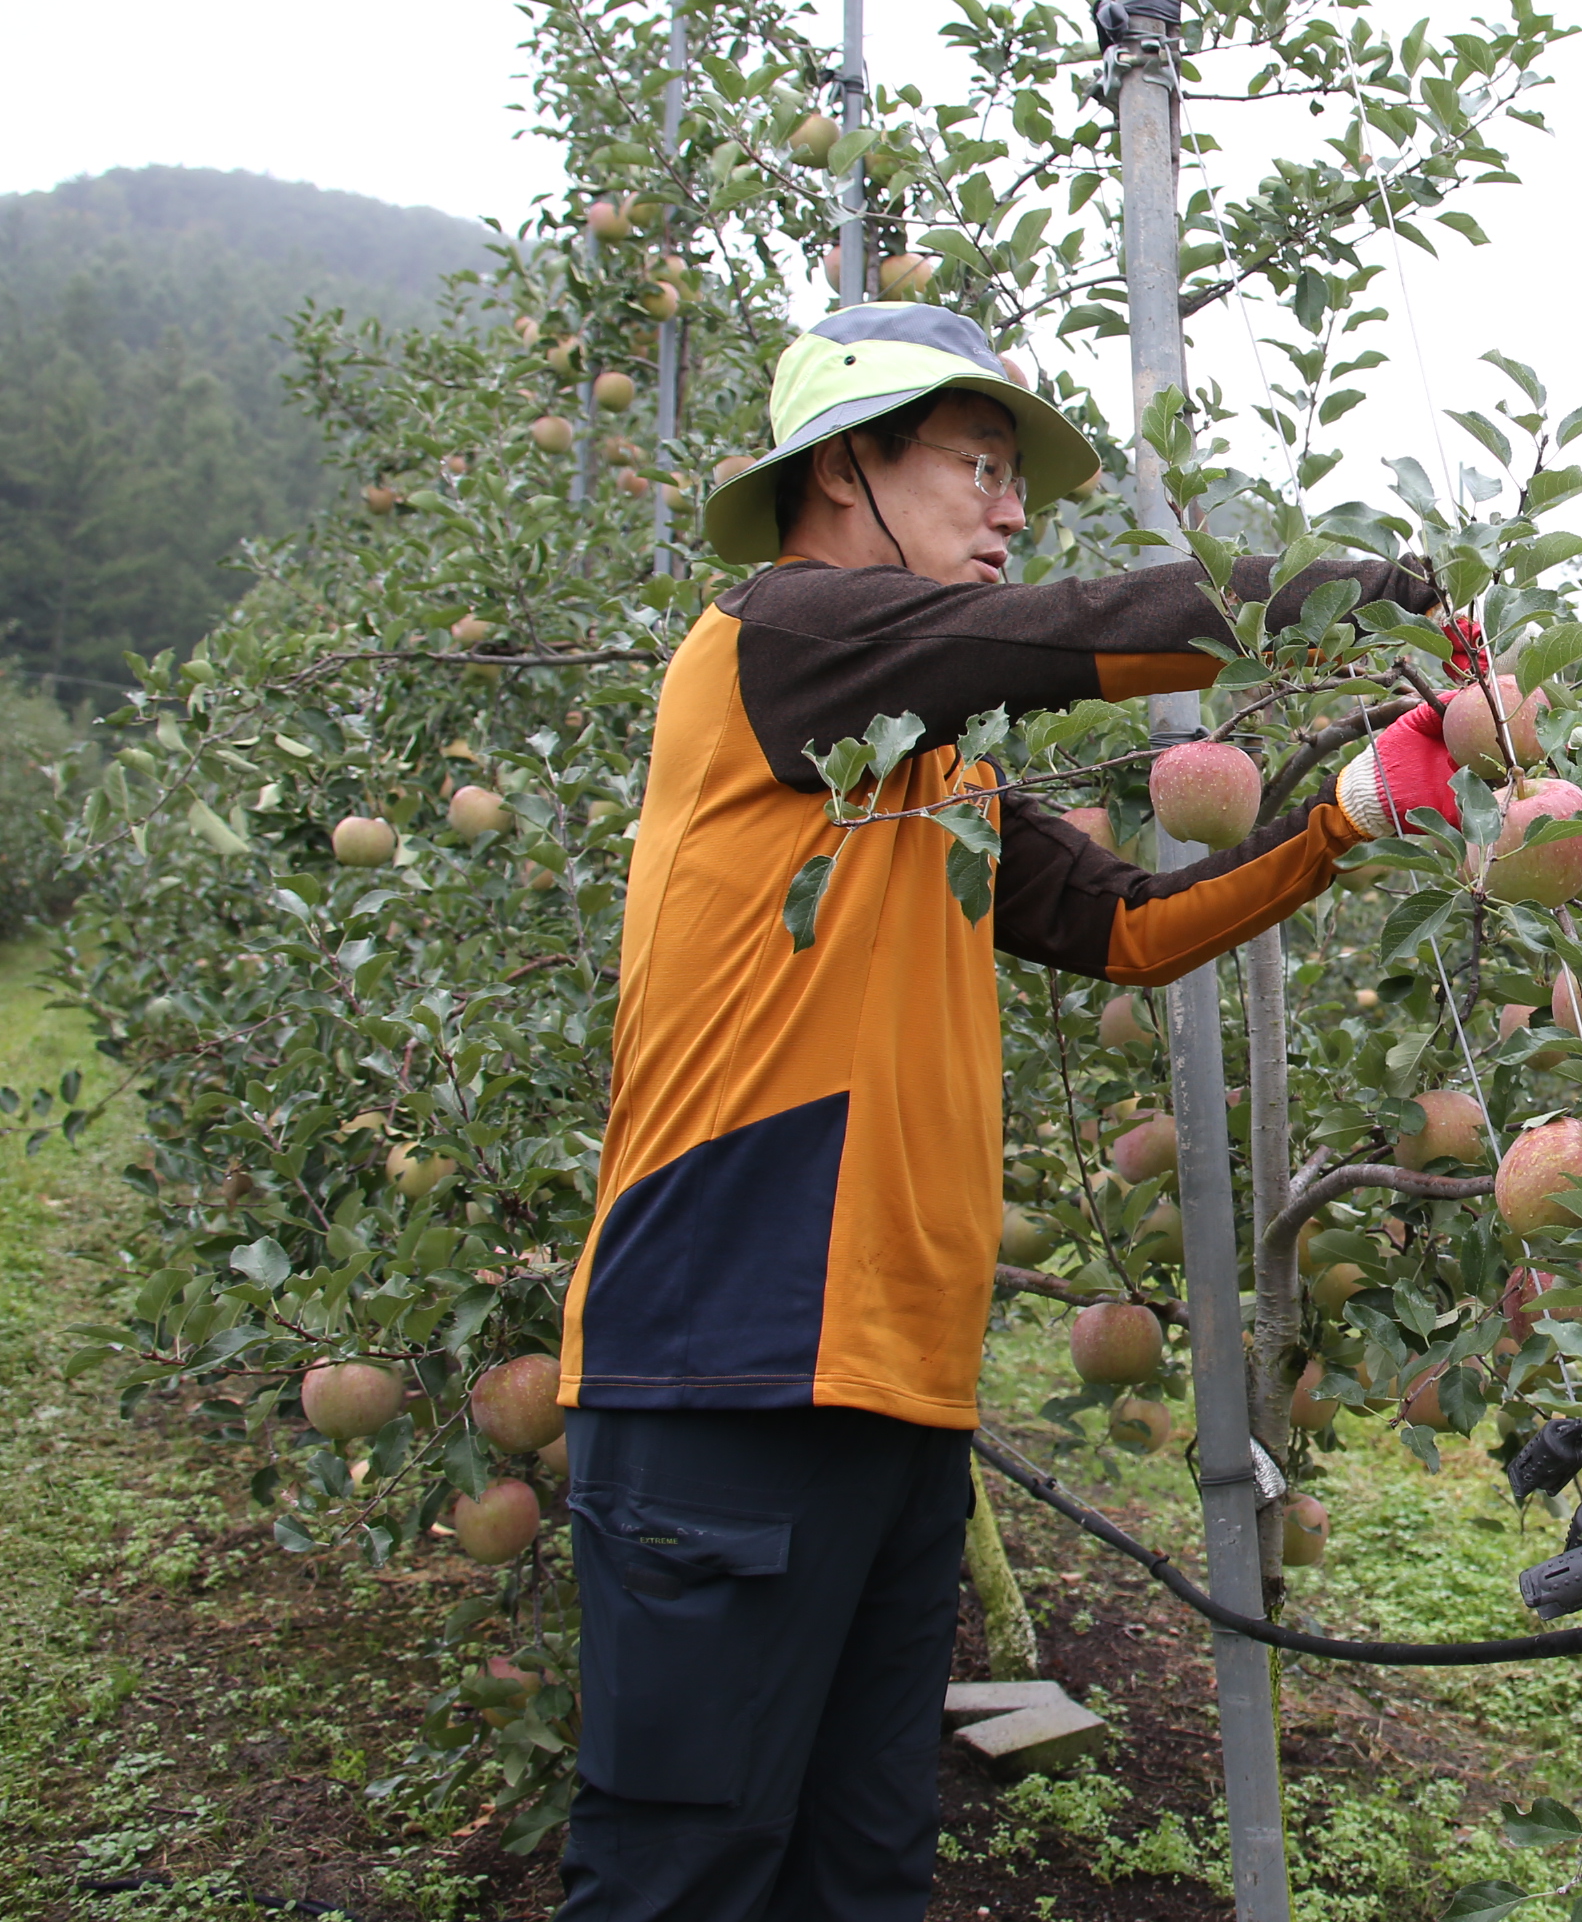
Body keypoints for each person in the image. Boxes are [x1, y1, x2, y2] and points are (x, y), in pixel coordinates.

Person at [552, 303, 1462, 1922]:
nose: (1011, 505)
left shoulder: (929, 766)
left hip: (897, 1395)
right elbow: (1058, 637)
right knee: (682, 1872)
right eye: (978, 463)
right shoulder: (779, 635)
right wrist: (1344, 588)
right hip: (726, 1371)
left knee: (865, 1868)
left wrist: (1346, 815)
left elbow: (1128, 925)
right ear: (846, 469)